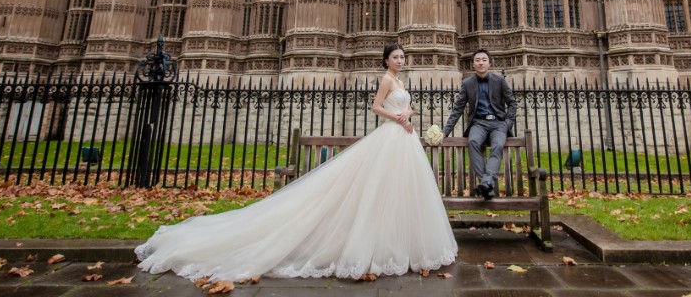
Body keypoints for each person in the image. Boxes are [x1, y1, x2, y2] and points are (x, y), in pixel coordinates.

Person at [135, 43, 457, 281]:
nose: (400, 60)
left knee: (399, 193)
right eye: (396, 57)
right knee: (378, 190)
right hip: (391, 137)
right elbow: (376, 107)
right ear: (386, 60)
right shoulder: (387, 80)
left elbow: (405, 107)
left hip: (404, 139)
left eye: (402, 57)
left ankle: (397, 245)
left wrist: (408, 115)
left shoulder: (401, 82)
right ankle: (378, 245)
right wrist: (397, 118)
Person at [441, 48, 517, 200]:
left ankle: (485, 184)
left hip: (498, 123)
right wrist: (445, 131)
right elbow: (458, 108)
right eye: (478, 60)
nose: (481, 63)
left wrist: (507, 124)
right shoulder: (467, 83)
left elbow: (512, 103)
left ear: (489, 63)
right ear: (473, 64)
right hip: (478, 123)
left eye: (484, 60)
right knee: (473, 141)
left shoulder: (499, 81)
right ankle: (487, 185)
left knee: (497, 146)